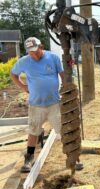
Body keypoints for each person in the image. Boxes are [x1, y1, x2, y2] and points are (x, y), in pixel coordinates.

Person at [10, 37, 64, 173]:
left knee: (63, 130)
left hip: (54, 104)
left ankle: (73, 157)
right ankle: (29, 158)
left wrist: (66, 89)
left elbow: (63, 75)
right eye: (30, 52)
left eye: (35, 51)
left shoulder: (53, 58)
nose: (33, 54)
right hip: (36, 104)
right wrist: (22, 86)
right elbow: (13, 73)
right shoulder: (24, 61)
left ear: (41, 46)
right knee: (33, 131)